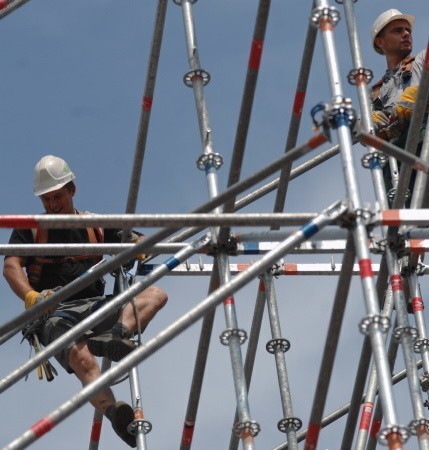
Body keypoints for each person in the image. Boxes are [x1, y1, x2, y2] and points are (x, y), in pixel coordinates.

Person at [3, 155, 168, 448]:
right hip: (56, 314)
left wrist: (138, 245)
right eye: (46, 200)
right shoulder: (30, 231)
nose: (52, 205)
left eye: (57, 197)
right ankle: (115, 412)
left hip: (96, 307)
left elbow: (133, 239)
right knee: (81, 358)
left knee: (155, 295)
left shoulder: (94, 226)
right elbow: (11, 265)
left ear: (71, 190)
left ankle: (117, 335)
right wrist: (31, 296)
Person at [370, 9, 427, 200]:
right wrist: (373, 125)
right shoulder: (377, 91)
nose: (406, 34)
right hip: (396, 161)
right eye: (397, 30)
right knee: (403, 221)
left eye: (408, 30)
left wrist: (417, 95)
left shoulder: (421, 61)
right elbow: (365, 133)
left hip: (423, 142)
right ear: (380, 42)